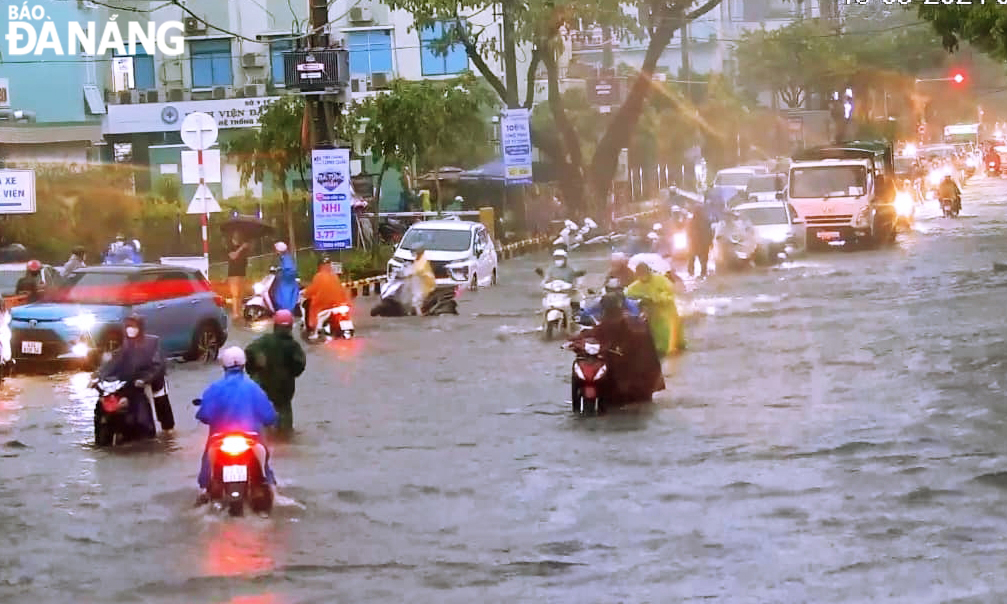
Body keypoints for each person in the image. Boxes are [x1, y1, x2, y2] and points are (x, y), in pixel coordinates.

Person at [195, 346, 278, 506]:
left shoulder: (214, 388)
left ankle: (204, 490)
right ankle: (275, 493)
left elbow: (204, 415)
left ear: (223, 366)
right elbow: (269, 416)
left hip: (220, 439)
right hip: (250, 438)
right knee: (264, 464)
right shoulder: (254, 387)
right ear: (244, 365)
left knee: (207, 462)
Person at [571, 293, 664, 403]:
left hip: (631, 367)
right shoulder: (628, 320)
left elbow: (602, 334)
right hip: (640, 369)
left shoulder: (623, 322)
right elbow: (596, 332)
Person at [96, 313, 169, 433]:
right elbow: (113, 364)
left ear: (140, 327)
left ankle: (167, 429)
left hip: (151, 376)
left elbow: (158, 365)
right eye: (128, 326)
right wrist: (98, 376)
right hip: (131, 378)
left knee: (161, 399)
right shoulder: (124, 344)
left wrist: (145, 379)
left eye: (134, 326)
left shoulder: (152, 342)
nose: (131, 329)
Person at [244, 310, 306, 436]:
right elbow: (299, 366)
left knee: (258, 418)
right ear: (290, 327)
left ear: (275, 325)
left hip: (262, 385)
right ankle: (284, 435)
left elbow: (249, 352)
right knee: (284, 415)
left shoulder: (263, 341)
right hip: (284, 389)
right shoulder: (293, 346)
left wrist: (253, 370)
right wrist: (290, 373)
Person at [626, 262, 686, 357]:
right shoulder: (635, 286)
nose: (643, 277)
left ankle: (676, 351)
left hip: (667, 312)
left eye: (644, 273)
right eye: (640, 274)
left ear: (648, 272)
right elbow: (628, 296)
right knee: (658, 337)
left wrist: (659, 298)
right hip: (653, 315)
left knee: (673, 335)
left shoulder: (661, 279)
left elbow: (671, 292)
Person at [301, 256, 350, 339]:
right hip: (339, 303)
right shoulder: (335, 276)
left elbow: (312, 290)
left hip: (323, 305)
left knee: (309, 307)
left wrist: (305, 294)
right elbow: (342, 290)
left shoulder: (318, 276)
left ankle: (313, 329)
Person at [226, 233, 251, 319]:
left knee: (241, 294)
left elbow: (245, 260)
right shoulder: (230, 247)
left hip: (242, 273)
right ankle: (235, 313)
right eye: (236, 236)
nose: (238, 238)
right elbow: (233, 256)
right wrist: (241, 248)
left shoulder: (243, 248)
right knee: (235, 294)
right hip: (233, 274)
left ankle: (240, 312)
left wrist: (245, 248)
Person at [270, 241, 299, 313]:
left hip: (286, 281)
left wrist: (280, 270)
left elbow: (289, 268)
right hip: (285, 280)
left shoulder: (286, 258)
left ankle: (286, 310)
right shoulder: (283, 257)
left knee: (284, 296)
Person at [687, 202, 714, 278]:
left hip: (699, 244)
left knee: (698, 259)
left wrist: (710, 242)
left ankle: (696, 273)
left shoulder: (699, 220)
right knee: (700, 260)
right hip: (699, 244)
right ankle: (700, 273)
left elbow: (709, 232)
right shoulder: (694, 221)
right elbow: (709, 232)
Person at [409, 244, 436, 316]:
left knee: (418, 300)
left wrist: (411, 273)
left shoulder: (423, 260)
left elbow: (420, 270)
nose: (413, 254)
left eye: (415, 252)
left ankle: (420, 315)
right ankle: (418, 313)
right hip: (420, 283)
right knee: (416, 300)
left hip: (425, 283)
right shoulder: (417, 259)